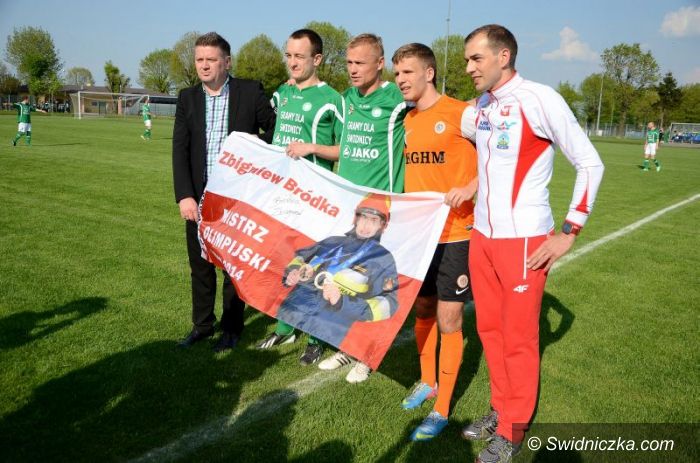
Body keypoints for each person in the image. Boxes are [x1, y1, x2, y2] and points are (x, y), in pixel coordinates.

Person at [461, 25, 604, 462]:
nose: (468, 68)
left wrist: (569, 232)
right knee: (489, 331)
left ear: (503, 56)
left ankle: (513, 430)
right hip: (482, 238)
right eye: (467, 60)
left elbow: (590, 163)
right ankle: (499, 408)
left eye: (476, 59)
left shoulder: (540, 99)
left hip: (524, 241)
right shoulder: (481, 105)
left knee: (519, 339)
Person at [392, 43, 478, 442]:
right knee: (423, 308)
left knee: (449, 318)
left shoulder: (462, 114)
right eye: (397, 73)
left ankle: (442, 408)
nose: (401, 80)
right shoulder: (407, 120)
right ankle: (427, 381)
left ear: (429, 73)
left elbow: (501, 157)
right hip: (421, 236)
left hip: (457, 234)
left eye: (407, 72)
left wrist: (472, 186)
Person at [172, 32, 276, 353]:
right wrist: (184, 195)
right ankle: (202, 326)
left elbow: (275, 130)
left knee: (232, 267)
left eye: (211, 59)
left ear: (226, 62)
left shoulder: (250, 91)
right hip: (199, 197)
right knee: (200, 266)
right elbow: (180, 148)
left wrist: (254, 152)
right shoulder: (187, 97)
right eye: (199, 60)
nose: (204, 65)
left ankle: (232, 328)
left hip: (236, 198)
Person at [316, 33, 408, 384]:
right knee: (346, 279)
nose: (352, 70)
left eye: (360, 63)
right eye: (349, 63)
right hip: (350, 210)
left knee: (373, 285)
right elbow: (347, 147)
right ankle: (348, 347)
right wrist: (309, 147)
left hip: (380, 209)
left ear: (380, 64)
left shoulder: (397, 98)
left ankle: (367, 355)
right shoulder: (347, 99)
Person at [255, 28, 344, 367]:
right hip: (281, 195)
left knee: (313, 269)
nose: (292, 62)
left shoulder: (332, 100)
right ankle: (285, 328)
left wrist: (312, 148)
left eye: (299, 57)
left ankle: (316, 338)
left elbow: (346, 150)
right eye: (289, 55)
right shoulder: (282, 93)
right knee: (282, 263)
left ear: (316, 59)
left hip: (315, 199)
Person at [277, 193, 399, 346]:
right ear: (355, 218)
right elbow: (301, 257)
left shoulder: (383, 258)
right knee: (294, 302)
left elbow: (388, 302)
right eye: (363, 217)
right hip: (301, 302)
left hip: (334, 317)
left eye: (373, 220)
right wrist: (294, 271)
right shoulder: (333, 241)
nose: (366, 225)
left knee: (327, 316)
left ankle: (315, 345)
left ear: (383, 226)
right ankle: (283, 332)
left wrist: (343, 302)